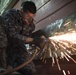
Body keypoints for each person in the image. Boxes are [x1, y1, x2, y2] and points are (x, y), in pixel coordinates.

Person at [0, 1, 37, 75]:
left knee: (31, 70)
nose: (29, 18)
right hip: (4, 44)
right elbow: (12, 36)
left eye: (32, 16)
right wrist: (31, 40)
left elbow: (20, 42)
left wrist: (35, 42)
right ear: (21, 10)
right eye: (27, 16)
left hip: (17, 47)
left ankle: (14, 65)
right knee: (5, 71)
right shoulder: (9, 15)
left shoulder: (31, 25)